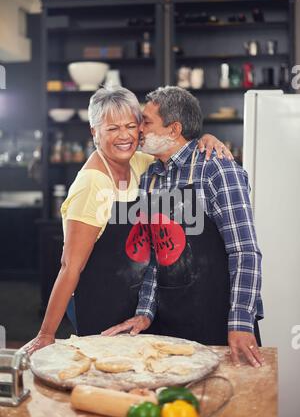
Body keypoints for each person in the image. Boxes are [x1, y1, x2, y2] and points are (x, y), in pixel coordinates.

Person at [24, 86, 231, 355]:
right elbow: (69, 266)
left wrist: (206, 138)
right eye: (111, 129)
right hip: (102, 301)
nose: (124, 136)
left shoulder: (140, 163)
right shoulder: (93, 184)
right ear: (94, 132)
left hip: (138, 304)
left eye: (132, 125)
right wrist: (46, 334)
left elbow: (177, 147)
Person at [102, 86, 264, 368]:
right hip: (169, 321)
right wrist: (145, 312)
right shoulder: (151, 176)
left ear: (173, 129)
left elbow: (245, 252)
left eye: (146, 121)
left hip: (218, 319)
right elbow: (156, 254)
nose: (138, 129)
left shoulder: (217, 169)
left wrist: (240, 321)